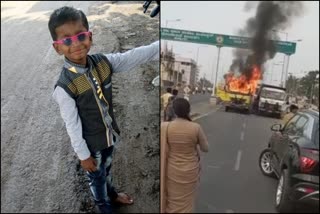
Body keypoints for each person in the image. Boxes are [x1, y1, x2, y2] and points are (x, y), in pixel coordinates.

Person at [49, 6, 159, 213]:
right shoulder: (66, 86)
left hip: (109, 137)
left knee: (106, 169)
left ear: (89, 36)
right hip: (91, 146)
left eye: (81, 35)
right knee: (97, 178)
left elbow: (134, 56)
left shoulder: (102, 63)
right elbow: (71, 124)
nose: (76, 43)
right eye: (67, 40)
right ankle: (103, 205)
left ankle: (112, 194)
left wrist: (163, 46)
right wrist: (83, 155)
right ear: (57, 47)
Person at [160, 98, 209, 213]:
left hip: (172, 170)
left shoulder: (165, 127)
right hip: (190, 171)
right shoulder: (196, 127)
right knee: (186, 202)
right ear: (189, 110)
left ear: (174, 111)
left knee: (172, 199)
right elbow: (205, 148)